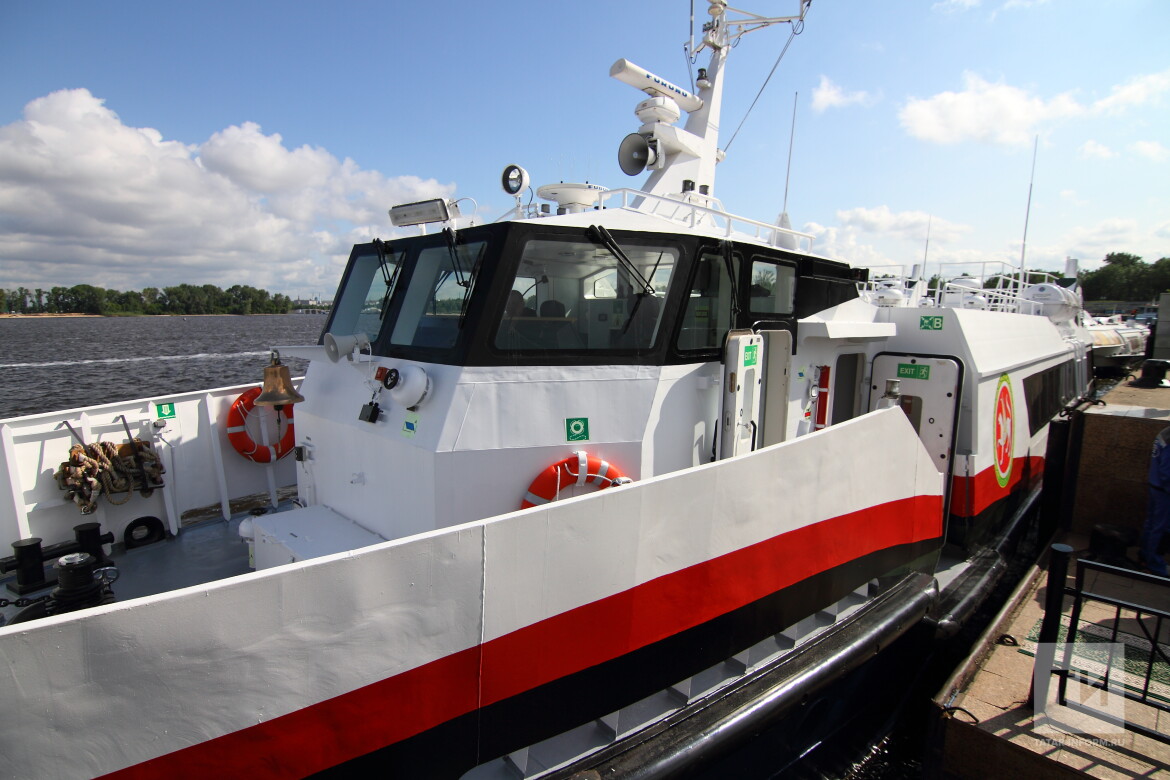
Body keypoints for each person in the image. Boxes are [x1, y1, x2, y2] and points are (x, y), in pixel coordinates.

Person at [1143, 426, 1170, 576]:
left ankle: (1145, 554)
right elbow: (1167, 471)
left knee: (1151, 524)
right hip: (1164, 491)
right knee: (1161, 528)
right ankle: (1155, 564)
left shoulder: (1165, 432)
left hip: (1155, 485)